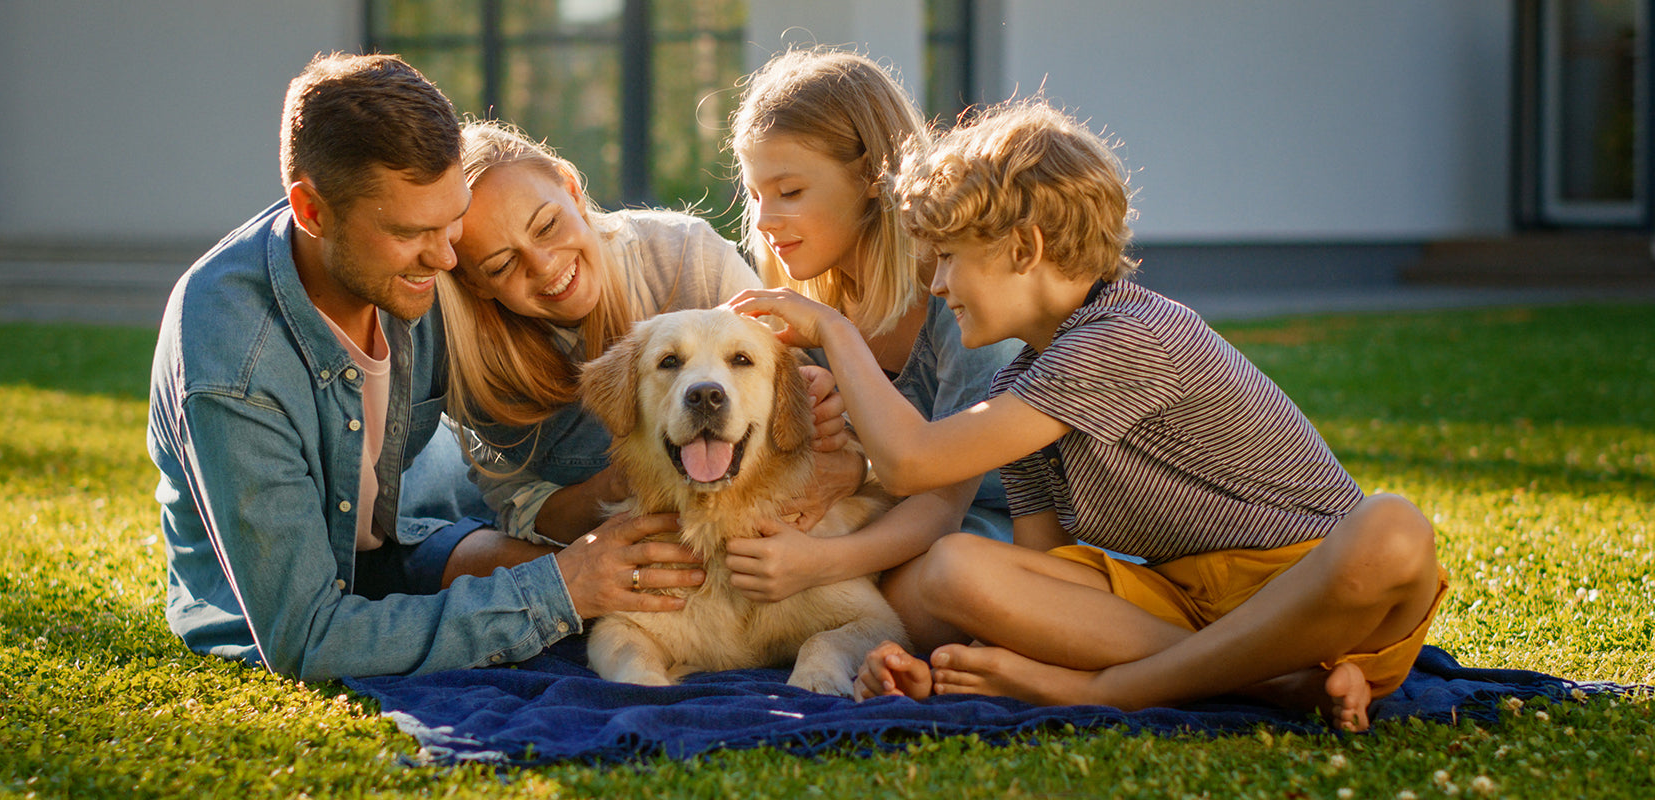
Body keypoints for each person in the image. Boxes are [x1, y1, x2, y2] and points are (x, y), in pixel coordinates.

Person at [730, 101, 1447, 732]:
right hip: (1184, 603)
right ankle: (1273, 683)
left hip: (1316, 598)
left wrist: (834, 332)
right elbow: (1040, 565)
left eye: (948, 259)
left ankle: (1113, 690)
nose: (940, 284)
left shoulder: (1123, 336)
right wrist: (970, 663)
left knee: (1392, 529)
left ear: (1025, 248)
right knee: (945, 572)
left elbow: (911, 461)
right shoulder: (1024, 379)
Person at [147, 53, 702, 681]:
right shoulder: (233, 358)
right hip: (292, 604)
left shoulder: (417, 268)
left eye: (452, 221)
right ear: (311, 211)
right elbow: (307, 638)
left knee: (635, 582)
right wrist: (563, 589)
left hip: (404, 541)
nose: (445, 259)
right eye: (413, 231)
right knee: (577, 589)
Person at [416, 120, 862, 553]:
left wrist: (850, 460)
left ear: (572, 190)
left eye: (548, 225)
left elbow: (822, 427)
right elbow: (518, 514)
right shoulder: (472, 356)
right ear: (475, 283)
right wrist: (618, 485)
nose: (545, 264)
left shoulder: (689, 258)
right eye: (501, 265)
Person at [724, 48, 1021, 634]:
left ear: (869, 178)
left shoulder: (959, 295)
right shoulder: (809, 307)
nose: (763, 220)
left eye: (789, 191)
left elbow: (942, 499)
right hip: (886, 517)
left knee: (912, 592)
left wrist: (816, 565)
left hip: (993, 521)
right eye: (755, 196)